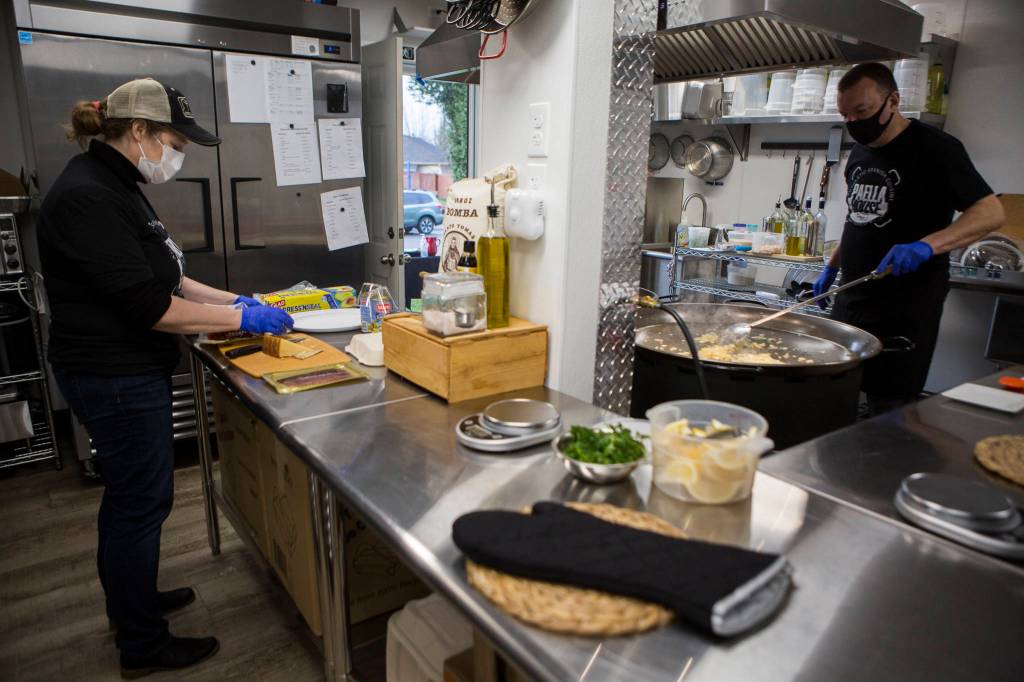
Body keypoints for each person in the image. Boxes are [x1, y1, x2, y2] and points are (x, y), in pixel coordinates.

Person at [38, 78, 293, 678]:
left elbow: (172, 277)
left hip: (123, 372)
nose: (177, 154)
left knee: (130, 500)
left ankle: (132, 604)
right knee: (140, 504)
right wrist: (240, 318)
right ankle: (142, 644)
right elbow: (154, 307)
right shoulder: (89, 197)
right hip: (113, 376)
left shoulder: (116, 185)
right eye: (173, 140)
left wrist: (240, 296)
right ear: (140, 133)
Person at [813, 63, 1004, 415]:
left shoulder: (937, 149)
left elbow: (991, 212)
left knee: (890, 407)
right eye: (846, 116)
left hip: (906, 305)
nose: (855, 123)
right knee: (835, 394)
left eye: (863, 111)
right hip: (853, 297)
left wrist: (926, 245)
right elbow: (859, 218)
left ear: (894, 101)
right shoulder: (860, 152)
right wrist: (833, 265)